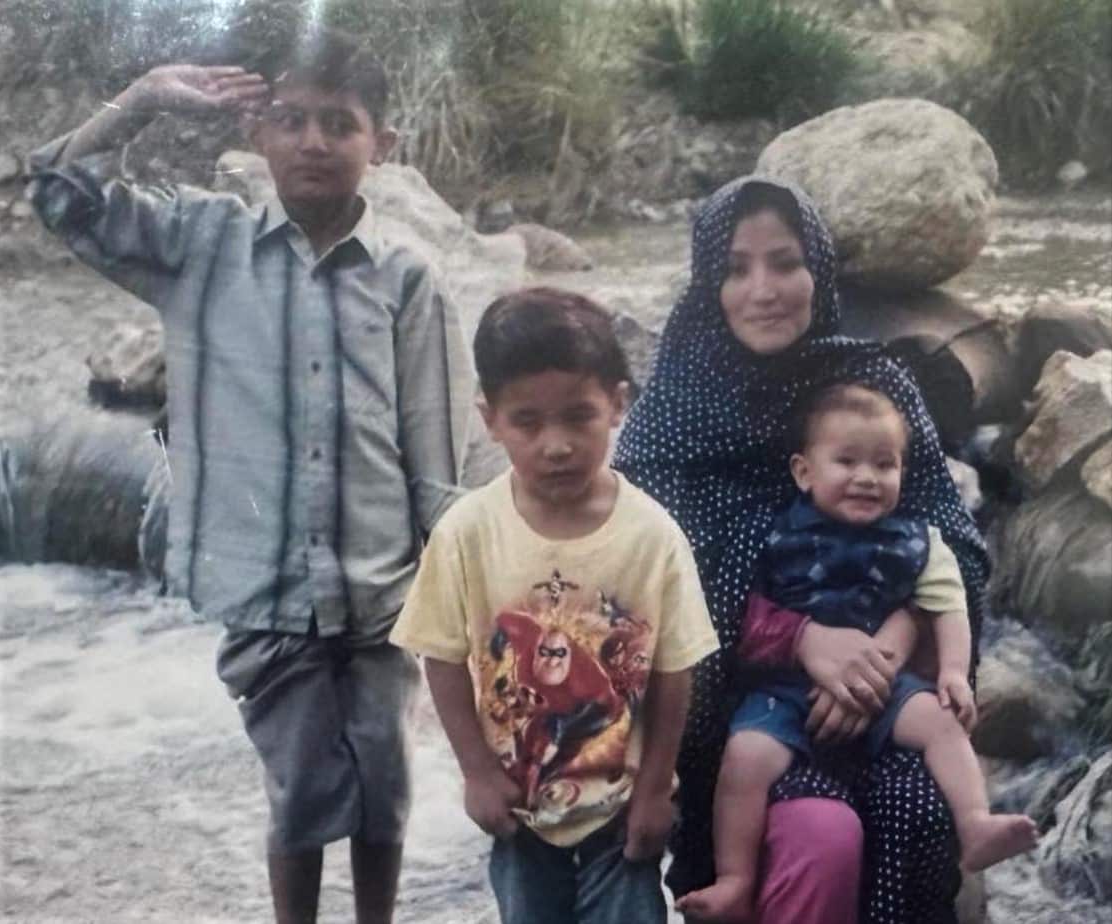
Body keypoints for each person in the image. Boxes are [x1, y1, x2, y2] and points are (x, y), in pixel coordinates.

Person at [29, 31, 472, 924]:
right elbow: (60, 194)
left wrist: (451, 599)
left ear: (380, 144)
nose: (313, 141)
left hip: (383, 591)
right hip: (264, 590)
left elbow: (435, 453)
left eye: (339, 124)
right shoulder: (199, 245)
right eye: (290, 119)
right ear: (256, 133)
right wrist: (144, 97)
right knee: (299, 792)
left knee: (384, 786)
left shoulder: (406, 280)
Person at [613, 177, 993, 924]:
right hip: (740, 723)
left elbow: (952, 544)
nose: (764, 290)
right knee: (820, 840)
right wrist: (801, 640)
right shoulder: (670, 414)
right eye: (736, 268)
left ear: (818, 268)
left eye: (785, 262)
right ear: (708, 283)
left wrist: (883, 654)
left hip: (888, 697)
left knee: (922, 812)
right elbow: (651, 591)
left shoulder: (875, 386)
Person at [390, 287, 719, 924]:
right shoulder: (467, 533)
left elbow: (674, 670)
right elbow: (443, 657)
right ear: (490, 419)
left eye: (578, 416)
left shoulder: (651, 536)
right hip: (520, 811)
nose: (557, 445)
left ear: (617, 404)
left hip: (620, 810)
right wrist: (477, 773)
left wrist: (655, 789)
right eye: (528, 422)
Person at [676, 382, 1037, 922]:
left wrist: (954, 673)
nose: (867, 477)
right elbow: (735, 613)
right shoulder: (771, 535)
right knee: (745, 759)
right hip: (785, 690)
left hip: (887, 686)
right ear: (804, 472)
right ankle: (735, 879)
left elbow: (948, 605)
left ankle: (976, 823)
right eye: (847, 462)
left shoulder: (920, 541)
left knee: (942, 722)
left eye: (884, 465)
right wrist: (797, 640)